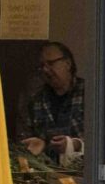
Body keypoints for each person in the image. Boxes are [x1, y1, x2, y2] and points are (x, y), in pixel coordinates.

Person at [21, 41, 87, 170]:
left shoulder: (90, 94)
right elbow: (25, 138)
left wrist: (75, 145)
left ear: (67, 64)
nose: (46, 70)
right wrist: (37, 144)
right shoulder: (36, 100)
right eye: (42, 66)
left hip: (84, 174)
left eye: (50, 63)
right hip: (48, 175)